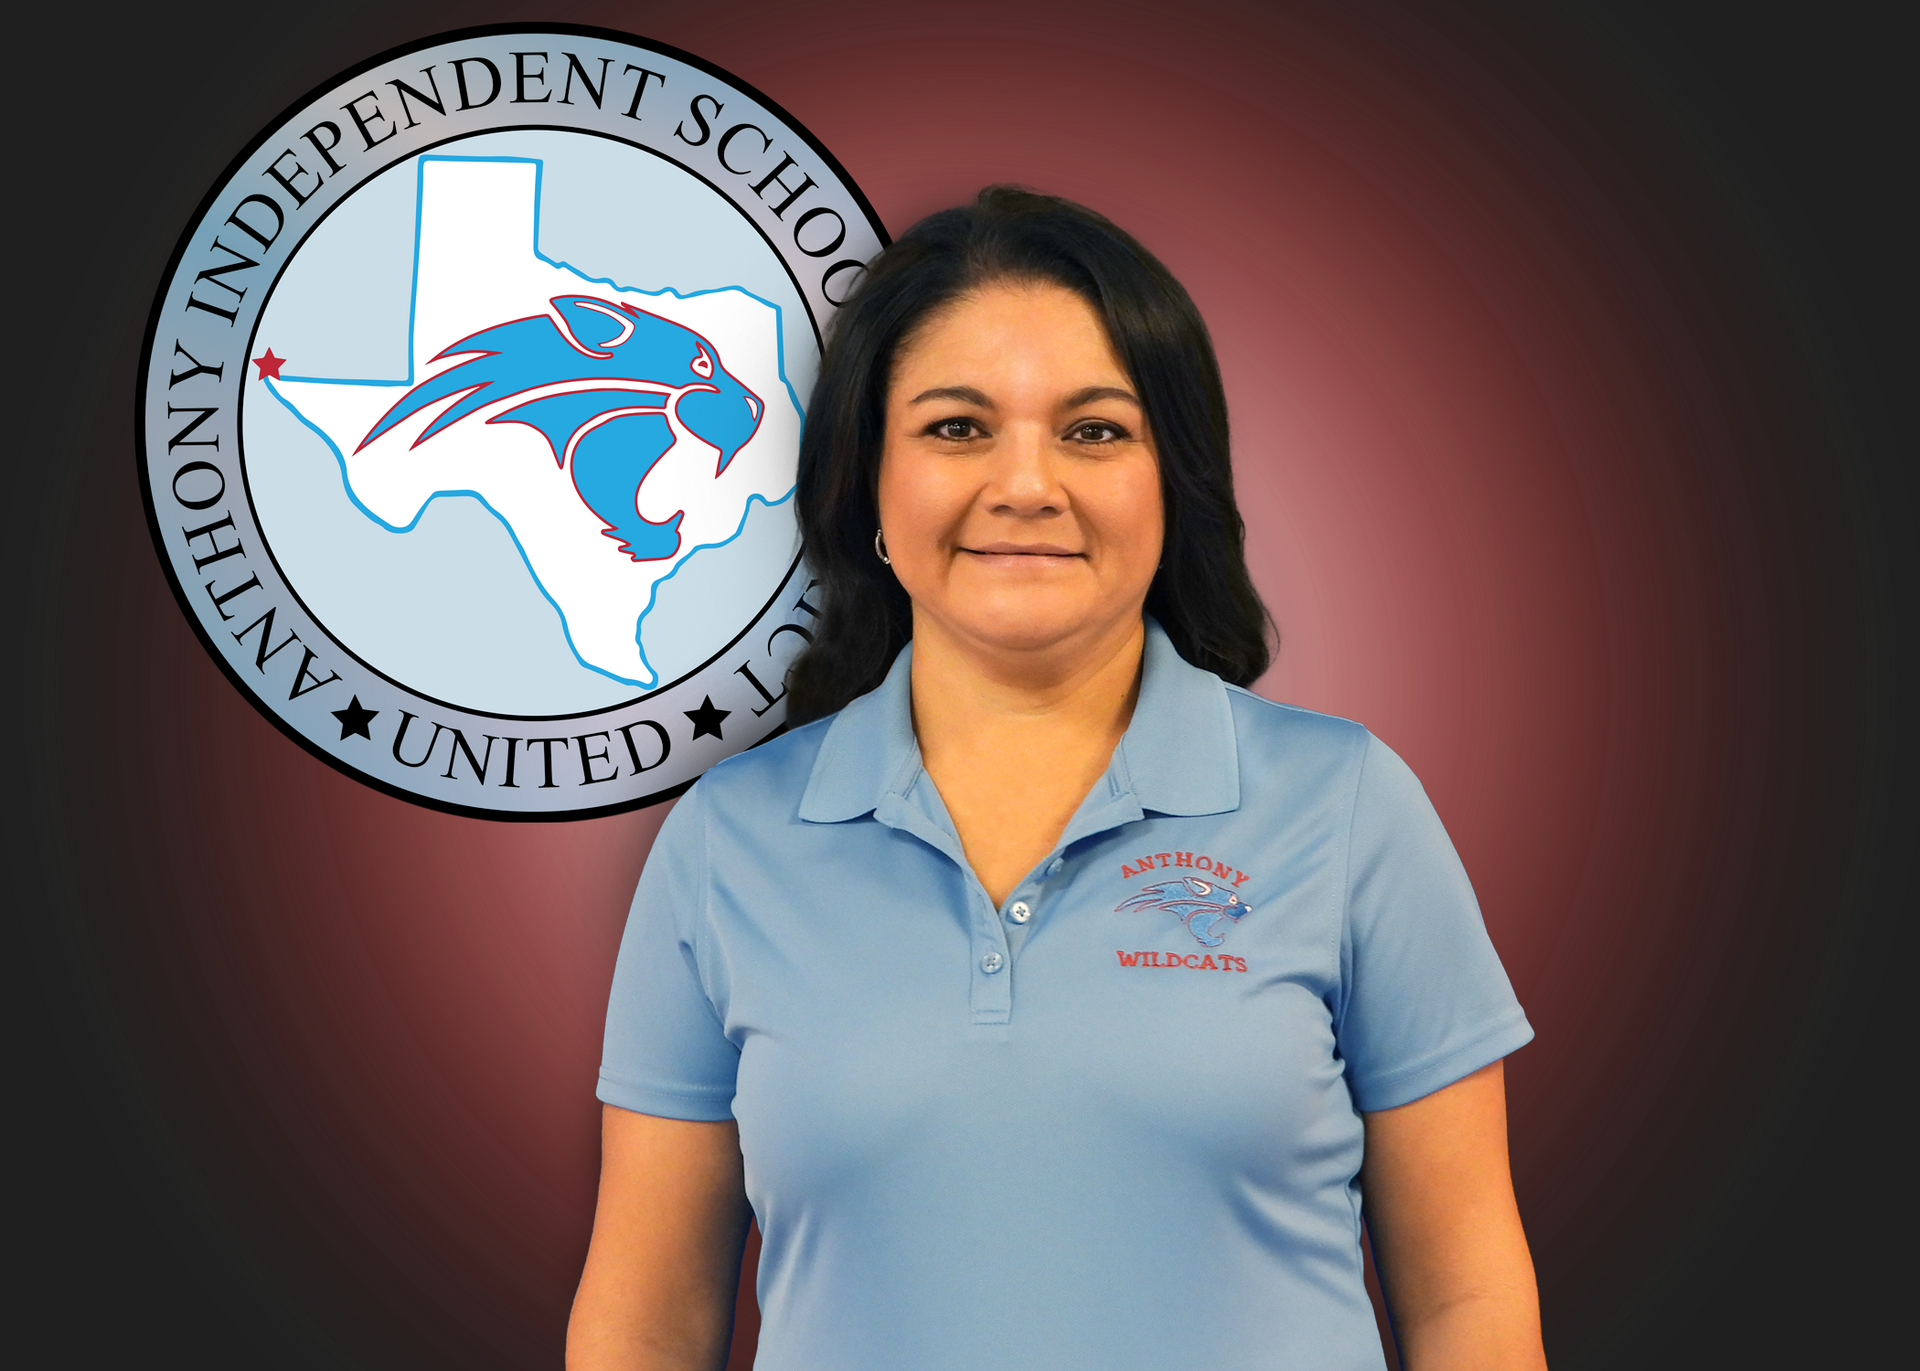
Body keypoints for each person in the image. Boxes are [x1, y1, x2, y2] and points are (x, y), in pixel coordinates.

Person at [567, 187, 1545, 1371]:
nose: (1027, 485)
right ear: (869, 482)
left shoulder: (1346, 808)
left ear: (1172, 478)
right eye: (956, 428)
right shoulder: (729, 840)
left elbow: (1466, 1302)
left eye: (1094, 432)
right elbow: (648, 1325)